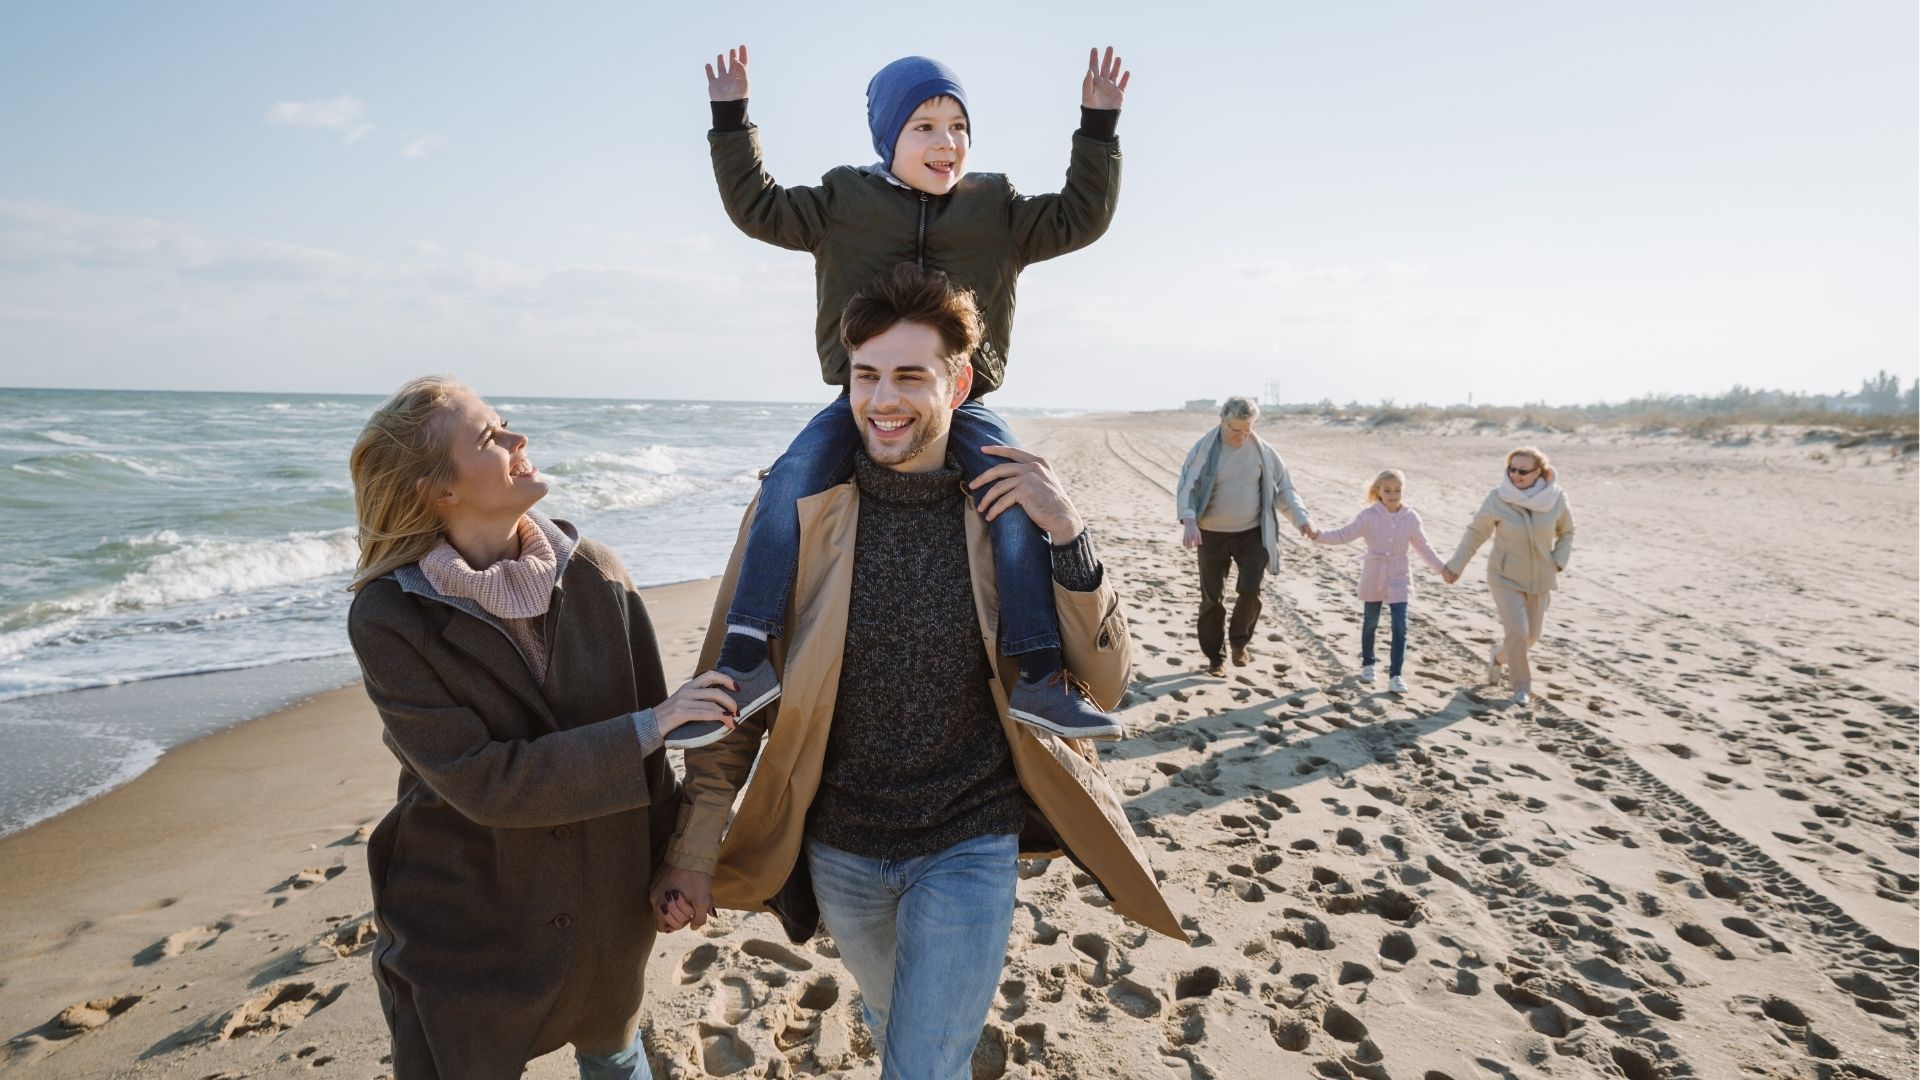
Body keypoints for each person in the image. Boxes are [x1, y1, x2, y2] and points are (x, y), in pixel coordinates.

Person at [648, 267, 1181, 1079]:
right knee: (896, 1015)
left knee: (920, 1063)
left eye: (909, 375)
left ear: (958, 382)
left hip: (971, 833)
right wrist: (692, 846)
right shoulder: (793, 518)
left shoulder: (1009, 510)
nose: (883, 399)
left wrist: (1069, 533)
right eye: (866, 376)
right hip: (842, 845)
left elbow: (1104, 686)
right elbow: (731, 693)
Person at [680, 44, 1134, 744]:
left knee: (1012, 489)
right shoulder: (841, 201)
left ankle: (1040, 674)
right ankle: (746, 657)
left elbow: (1079, 217)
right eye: (923, 126)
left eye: (958, 126)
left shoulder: (996, 207)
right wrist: (732, 119)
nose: (945, 142)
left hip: (964, 401)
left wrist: (1097, 129)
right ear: (888, 136)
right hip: (859, 400)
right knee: (788, 481)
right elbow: (756, 206)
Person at [345, 377, 739, 1079]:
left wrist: (677, 860)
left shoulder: (599, 574)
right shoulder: (388, 617)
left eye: (505, 425)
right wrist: (651, 724)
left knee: (615, 1055)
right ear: (440, 491)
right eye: (490, 437)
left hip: (603, 902)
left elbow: (653, 759)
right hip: (467, 922)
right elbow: (484, 781)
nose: (518, 441)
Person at [1174, 396, 1313, 677]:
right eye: (1234, 430)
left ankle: (1239, 642)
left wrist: (1302, 519)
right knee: (1212, 599)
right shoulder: (1205, 448)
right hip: (1211, 534)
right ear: (1222, 421)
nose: (1241, 436)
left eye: (1246, 429)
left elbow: (1285, 489)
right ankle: (1215, 658)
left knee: (1251, 590)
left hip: (1252, 533)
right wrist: (1189, 519)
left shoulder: (1263, 451)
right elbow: (1187, 485)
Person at [1441, 446, 1576, 706]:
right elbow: (1476, 533)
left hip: (1541, 578)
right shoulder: (1498, 498)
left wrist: (1558, 562)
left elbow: (1567, 532)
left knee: (1531, 637)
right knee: (1518, 632)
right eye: (1511, 469)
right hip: (1504, 576)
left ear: (1540, 472)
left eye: (1523, 470)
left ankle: (1498, 657)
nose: (1516, 475)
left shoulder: (1556, 498)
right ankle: (1521, 687)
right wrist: (1456, 566)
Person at [1311, 468, 1447, 692]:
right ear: (1379, 491)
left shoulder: (1410, 518)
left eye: (1398, 490)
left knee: (1400, 626)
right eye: (1388, 490)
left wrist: (1442, 569)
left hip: (1399, 576)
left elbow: (1423, 547)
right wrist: (1318, 535)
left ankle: (1395, 675)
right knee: (1371, 622)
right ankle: (1368, 664)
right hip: (1374, 574)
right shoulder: (1369, 516)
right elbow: (1344, 534)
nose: (1393, 495)